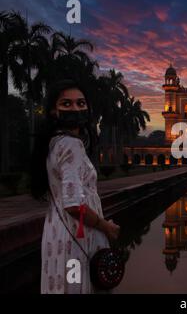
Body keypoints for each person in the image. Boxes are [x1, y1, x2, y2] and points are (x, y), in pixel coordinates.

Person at [31, 80, 120, 294]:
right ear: (54, 111)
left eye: (80, 103)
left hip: (58, 234)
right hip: (77, 236)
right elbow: (73, 205)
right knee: (77, 287)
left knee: (64, 286)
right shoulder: (71, 144)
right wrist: (105, 226)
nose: (76, 109)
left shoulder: (54, 142)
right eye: (67, 104)